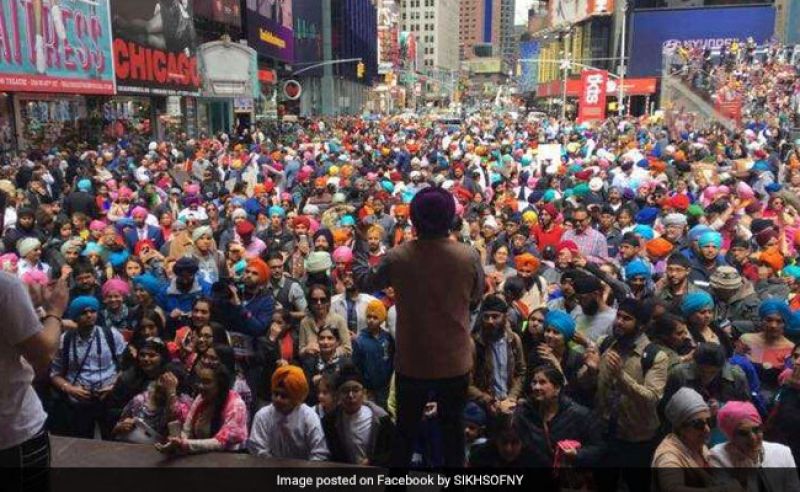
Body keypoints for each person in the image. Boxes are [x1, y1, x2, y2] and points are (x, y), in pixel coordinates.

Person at [0, 272, 68, 487]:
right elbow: (43, 354)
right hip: (11, 433)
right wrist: (55, 310)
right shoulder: (6, 286)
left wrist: (30, 308)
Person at [49, 296, 126, 439]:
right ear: (75, 317)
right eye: (83, 312)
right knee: (82, 441)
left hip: (108, 398)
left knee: (112, 439)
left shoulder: (111, 335)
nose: (89, 315)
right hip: (79, 402)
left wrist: (114, 384)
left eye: (92, 311)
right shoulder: (64, 340)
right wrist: (70, 389)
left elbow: (125, 367)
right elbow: (55, 374)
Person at [513, 365, 604, 468]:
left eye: (542, 382)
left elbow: (597, 448)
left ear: (557, 388)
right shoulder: (524, 412)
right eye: (534, 382)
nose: (536, 387)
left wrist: (577, 454)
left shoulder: (579, 414)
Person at [652, 388, 731, 492]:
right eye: (698, 425)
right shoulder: (668, 455)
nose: (707, 429)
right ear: (681, 428)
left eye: (708, 421)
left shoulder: (697, 443)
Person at [156, 364, 248, 454]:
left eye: (206, 382)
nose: (200, 386)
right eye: (199, 381)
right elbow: (187, 429)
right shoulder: (201, 398)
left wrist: (184, 444)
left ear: (221, 384)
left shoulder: (236, 405)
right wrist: (178, 443)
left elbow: (221, 442)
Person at [710, 401, 799, 490]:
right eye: (744, 433)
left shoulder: (782, 452)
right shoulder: (719, 457)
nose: (753, 438)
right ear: (731, 437)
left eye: (756, 429)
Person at [248, 365, 330, 461]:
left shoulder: (309, 417)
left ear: (296, 398)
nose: (278, 399)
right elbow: (257, 449)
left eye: (284, 396)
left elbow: (320, 453)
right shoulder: (262, 416)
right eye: (276, 394)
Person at [321, 364, 393, 466]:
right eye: (345, 391)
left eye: (355, 390)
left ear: (364, 393)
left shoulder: (382, 419)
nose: (350, 395)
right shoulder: (329, 422)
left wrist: (371, 462)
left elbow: (391, 452)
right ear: (338, 395)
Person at [468, 295, 526, 416]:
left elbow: (521, 372)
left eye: (495, 317)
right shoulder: (474, 344)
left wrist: (512, 397)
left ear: (505, 317)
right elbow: (468, 383)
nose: (490, 321)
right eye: (486, 317)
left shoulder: (513, 340)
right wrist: (489, 401)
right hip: (484, 406)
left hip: (509, 404)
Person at [352, 300, 394, 408]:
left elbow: (391, 360)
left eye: (375, 317)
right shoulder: (360, 340)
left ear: (381, 319)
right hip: (368, 389)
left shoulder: (387, 338)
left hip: (386, 387)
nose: (371, 320)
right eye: (369, 317)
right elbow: (356, 366)